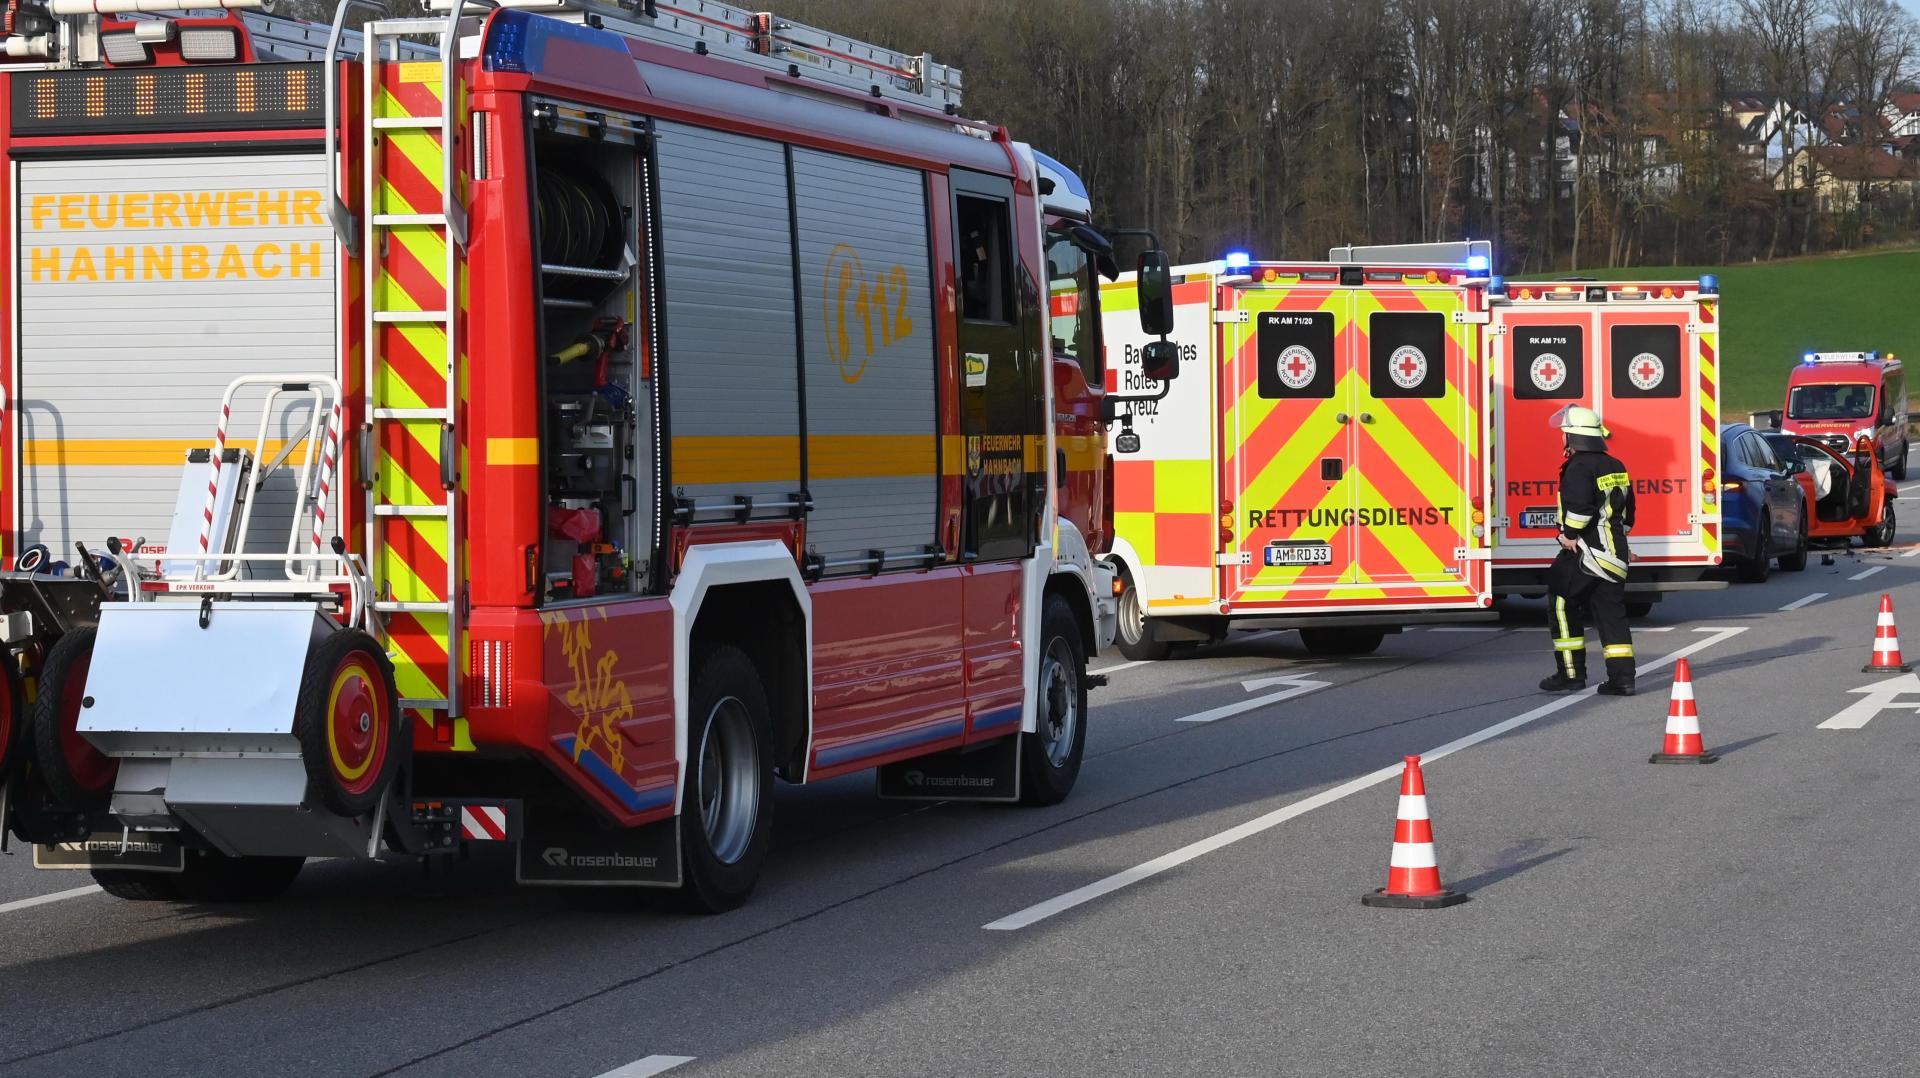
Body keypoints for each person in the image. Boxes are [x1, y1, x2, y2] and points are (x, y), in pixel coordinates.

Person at [1539, 405, 1637, 696]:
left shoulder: (1579, 466)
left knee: (1560, 601)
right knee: (1611, 615)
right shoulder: (1616, 464)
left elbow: (1580, 508)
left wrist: (1569, 534)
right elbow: (1628, 514)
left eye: (1564, 433)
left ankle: (1570, 674)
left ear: (1572, 436)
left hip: (1586, 552)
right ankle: (1623, 680)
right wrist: (1622, 542)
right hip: (1615, 554)